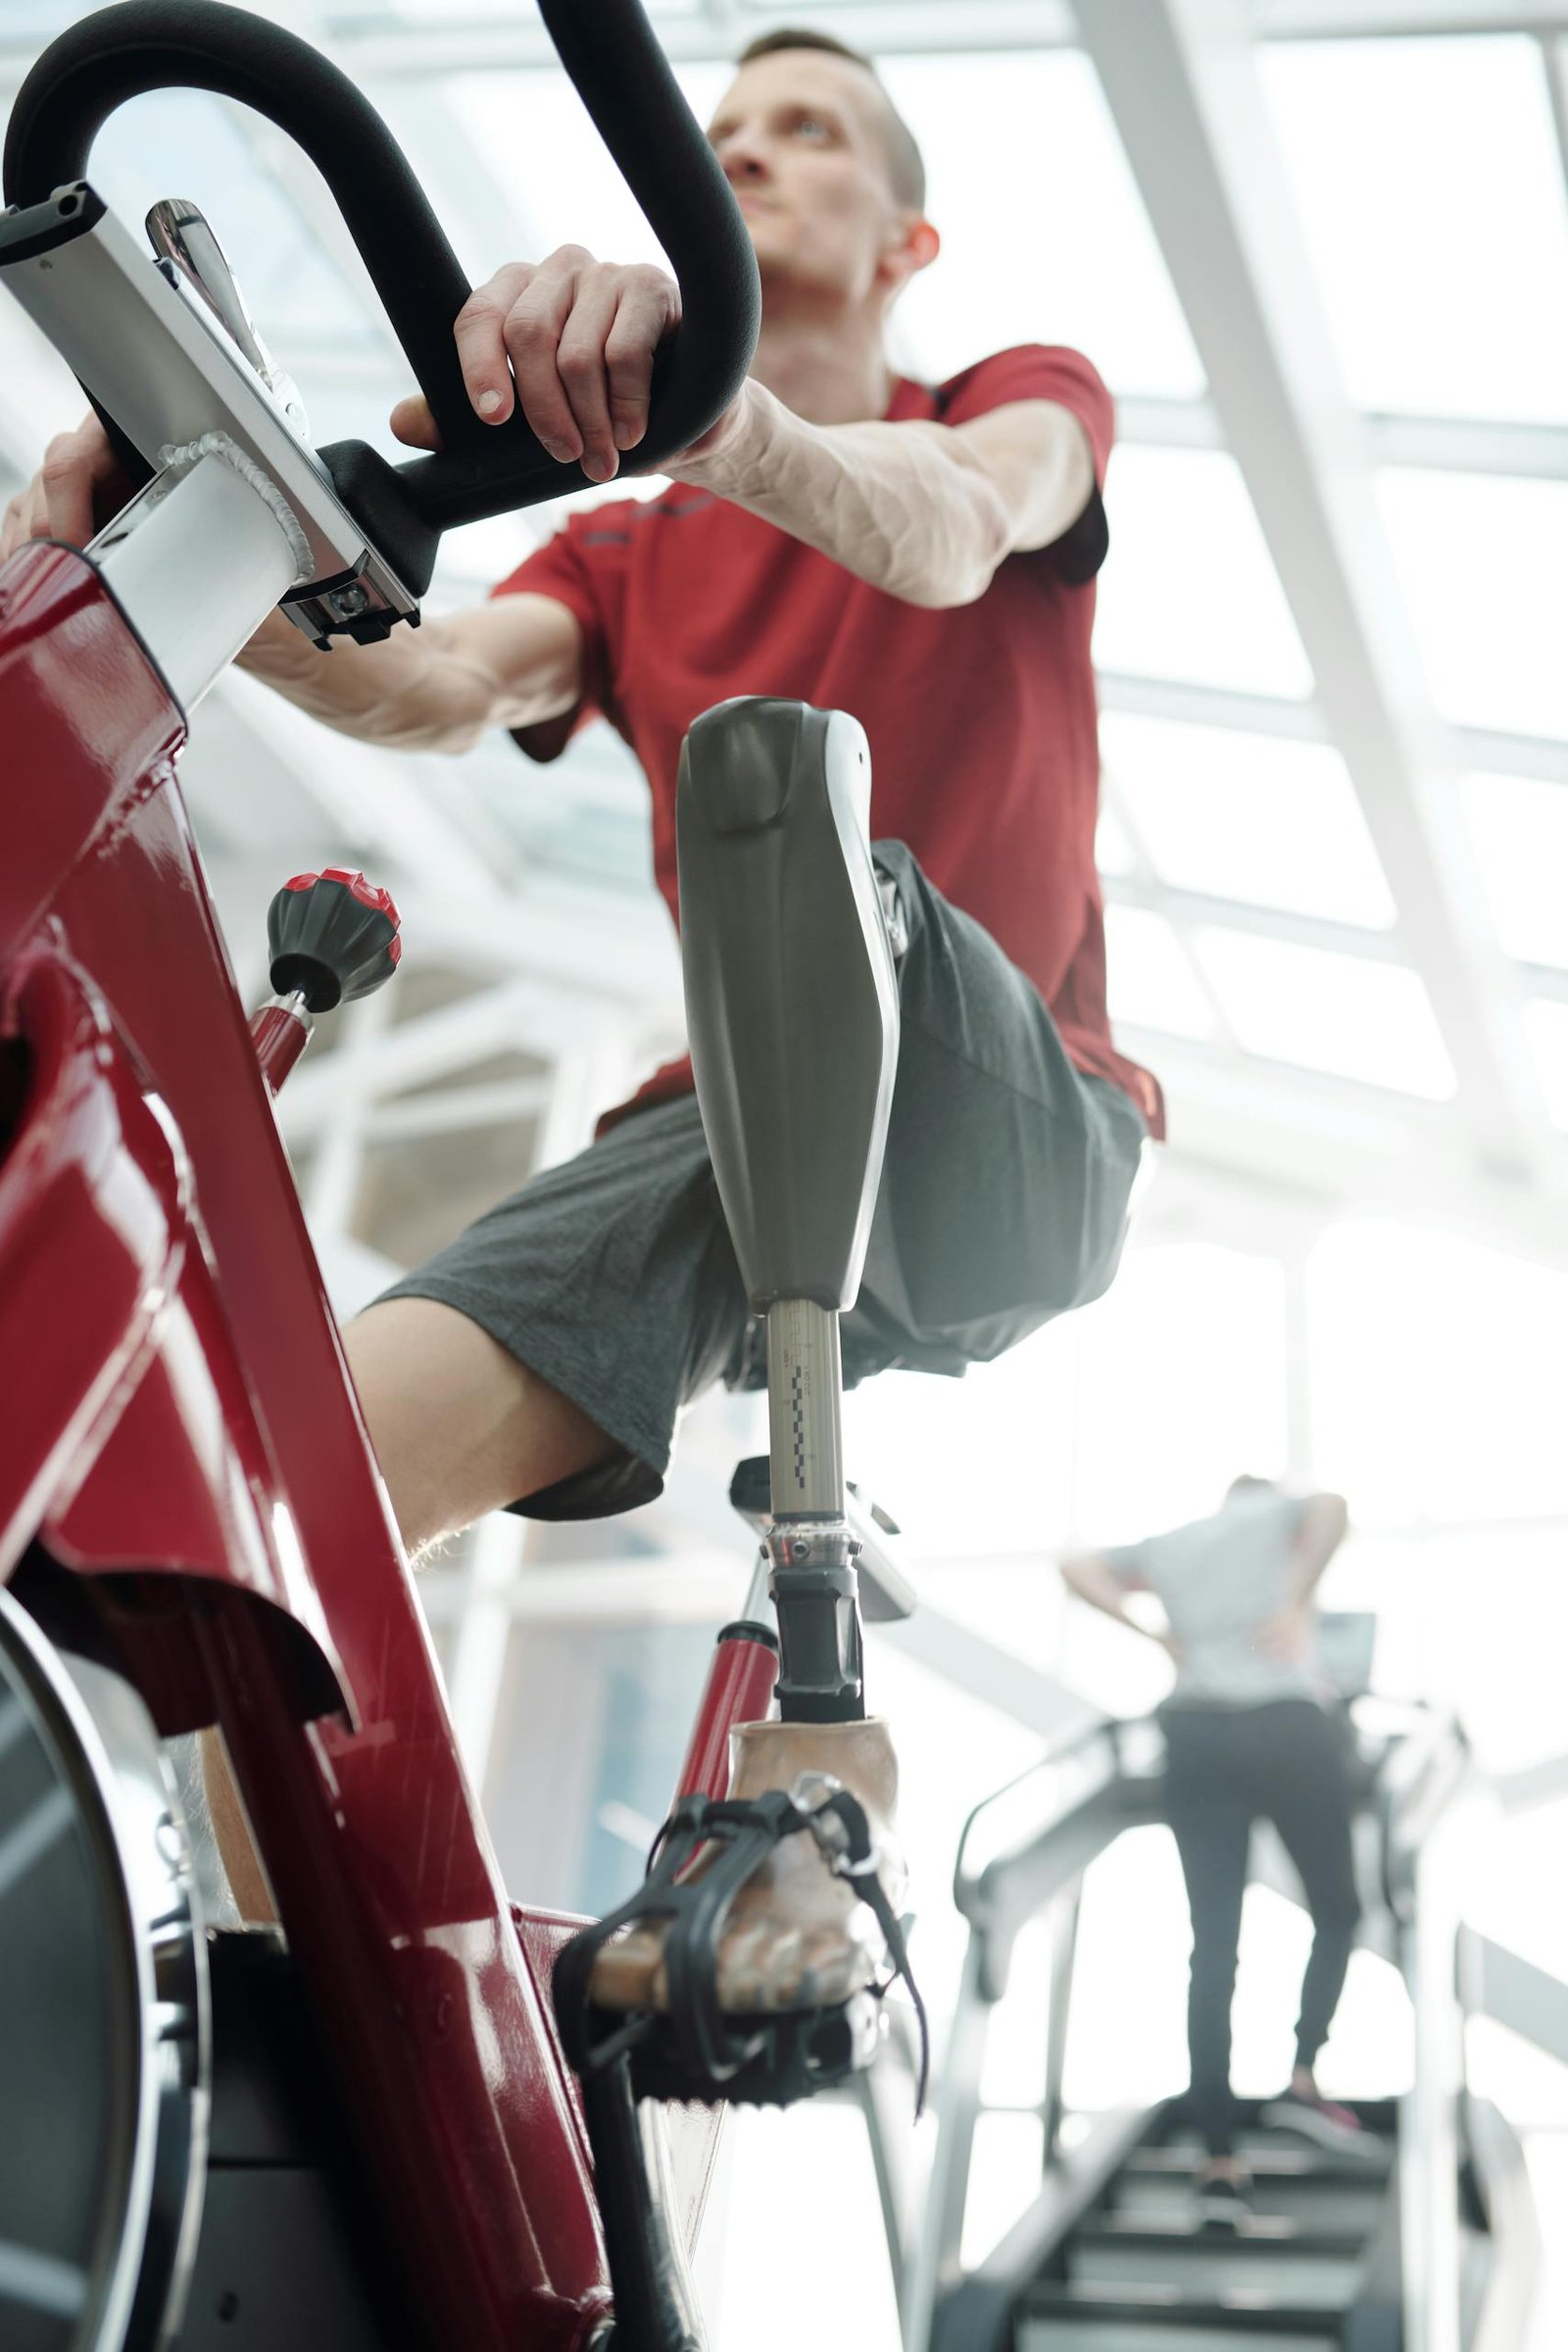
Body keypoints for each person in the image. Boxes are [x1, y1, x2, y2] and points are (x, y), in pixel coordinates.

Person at [3, 30, 1159, 2016]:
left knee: (801, 825)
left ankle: (809, 1672)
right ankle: (351, 2008)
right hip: (726, 1122)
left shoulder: (1008, 396)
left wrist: (732, 429)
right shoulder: (622, 549)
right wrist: (166, 546)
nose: (751, 159)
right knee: (305, 1476)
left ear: (909, 235)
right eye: (721, 140)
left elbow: (960, 522)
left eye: (804, 136)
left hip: (1010, 1125)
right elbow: (432, 686)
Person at [1062, 1478, 1366, 2221]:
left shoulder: (1174, 1544)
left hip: (1195, 1733)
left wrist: (1158, 1636)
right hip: (1286, 1723)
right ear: (1261, 1497)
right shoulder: (1273, 1516)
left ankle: (1219, 2154)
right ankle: (1302, 2071)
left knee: (1214, 1949)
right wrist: (1295, 1600)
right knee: (1337, 1909)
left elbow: (1074, 1565)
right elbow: (1332, 1507)